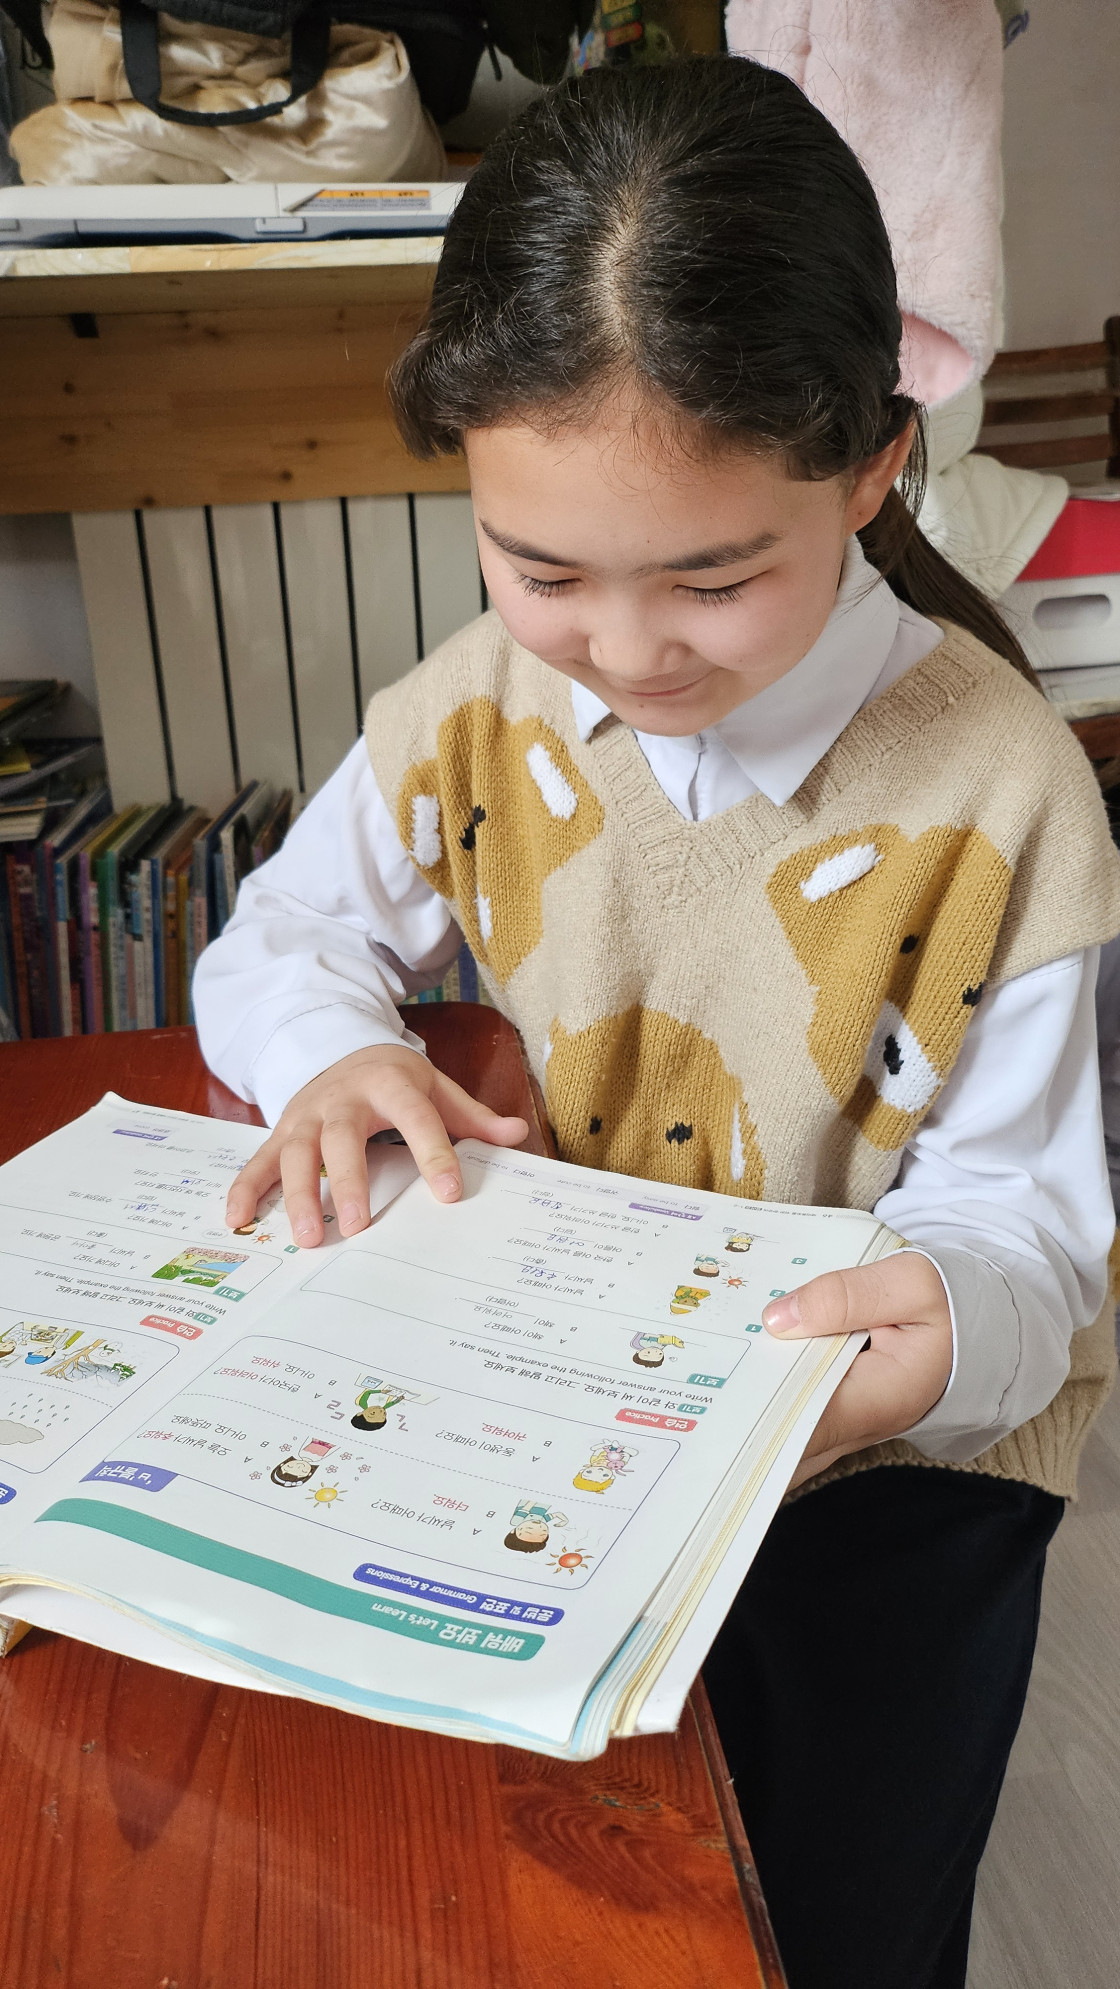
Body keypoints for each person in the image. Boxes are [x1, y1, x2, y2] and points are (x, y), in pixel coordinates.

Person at [193, 57, 1120, 1989]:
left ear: (869, 467)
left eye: (715, 577)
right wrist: (334, 1052)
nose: (624, 652)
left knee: (847, 1922)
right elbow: (278, 935)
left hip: (892, 1483)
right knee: (577, 1887)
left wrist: (934, 1332)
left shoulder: (1006, 790)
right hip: (580, 1413)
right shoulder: (478, 705)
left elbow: (1031, 1239)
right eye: (542, 569)